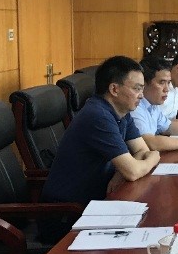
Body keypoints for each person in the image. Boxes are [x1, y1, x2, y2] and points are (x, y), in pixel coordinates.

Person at [42, 56, 161, 212]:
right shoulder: (98, 116)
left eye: (142, 89)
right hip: (68, 211)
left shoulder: (122, 112)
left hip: (98, 200)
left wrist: (121, 172)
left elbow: (141, 150)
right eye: (136, 89)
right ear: (114, 89)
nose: (141, 95)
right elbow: (134, 171)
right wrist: (154, 157)